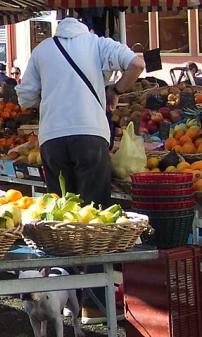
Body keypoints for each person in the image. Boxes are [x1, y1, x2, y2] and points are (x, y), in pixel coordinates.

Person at [16, 17, 145, 209]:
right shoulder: (99, 44)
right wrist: (115, 91)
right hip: (90, 136)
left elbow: (25, 97)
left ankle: (62, 240)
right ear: (87, 30)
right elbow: (137, 65)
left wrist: (52, 100)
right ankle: (92, 239)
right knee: (94, 210)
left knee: (61, 210)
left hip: (53, 139)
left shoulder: (41, 50)